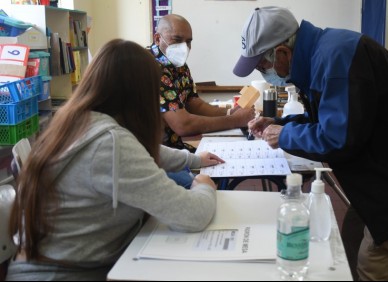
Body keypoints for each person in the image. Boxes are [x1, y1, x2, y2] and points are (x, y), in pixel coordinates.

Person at [234, 6, 388, 281]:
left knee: (376, 265)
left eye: (263, 65)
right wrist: (281, 124)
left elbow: (337, 138)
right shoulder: (321, 53)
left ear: (283, 52)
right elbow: (325, 116)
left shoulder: (336, 59)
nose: (265, 74)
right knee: (351, 241)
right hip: (387, 160)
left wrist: (283, 136)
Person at [6, 39, 224, 281]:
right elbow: (191, 215)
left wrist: (192, 159)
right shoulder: (110, 143)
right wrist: (204, 185)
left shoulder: (76, 120)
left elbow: (139, 149)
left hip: (50, 264)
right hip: (63, 274)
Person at [150, 14, 257, 188]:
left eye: (189, 41)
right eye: (177, 39)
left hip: (175, 149)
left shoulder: (179, 65)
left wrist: (230, 111)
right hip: (156, 156)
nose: (184, 47)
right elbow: (183, 125)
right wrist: (235, 120)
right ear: (157, 38)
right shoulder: (152, 67)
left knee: (223, 161)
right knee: (203, 187)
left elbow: (194, 103)